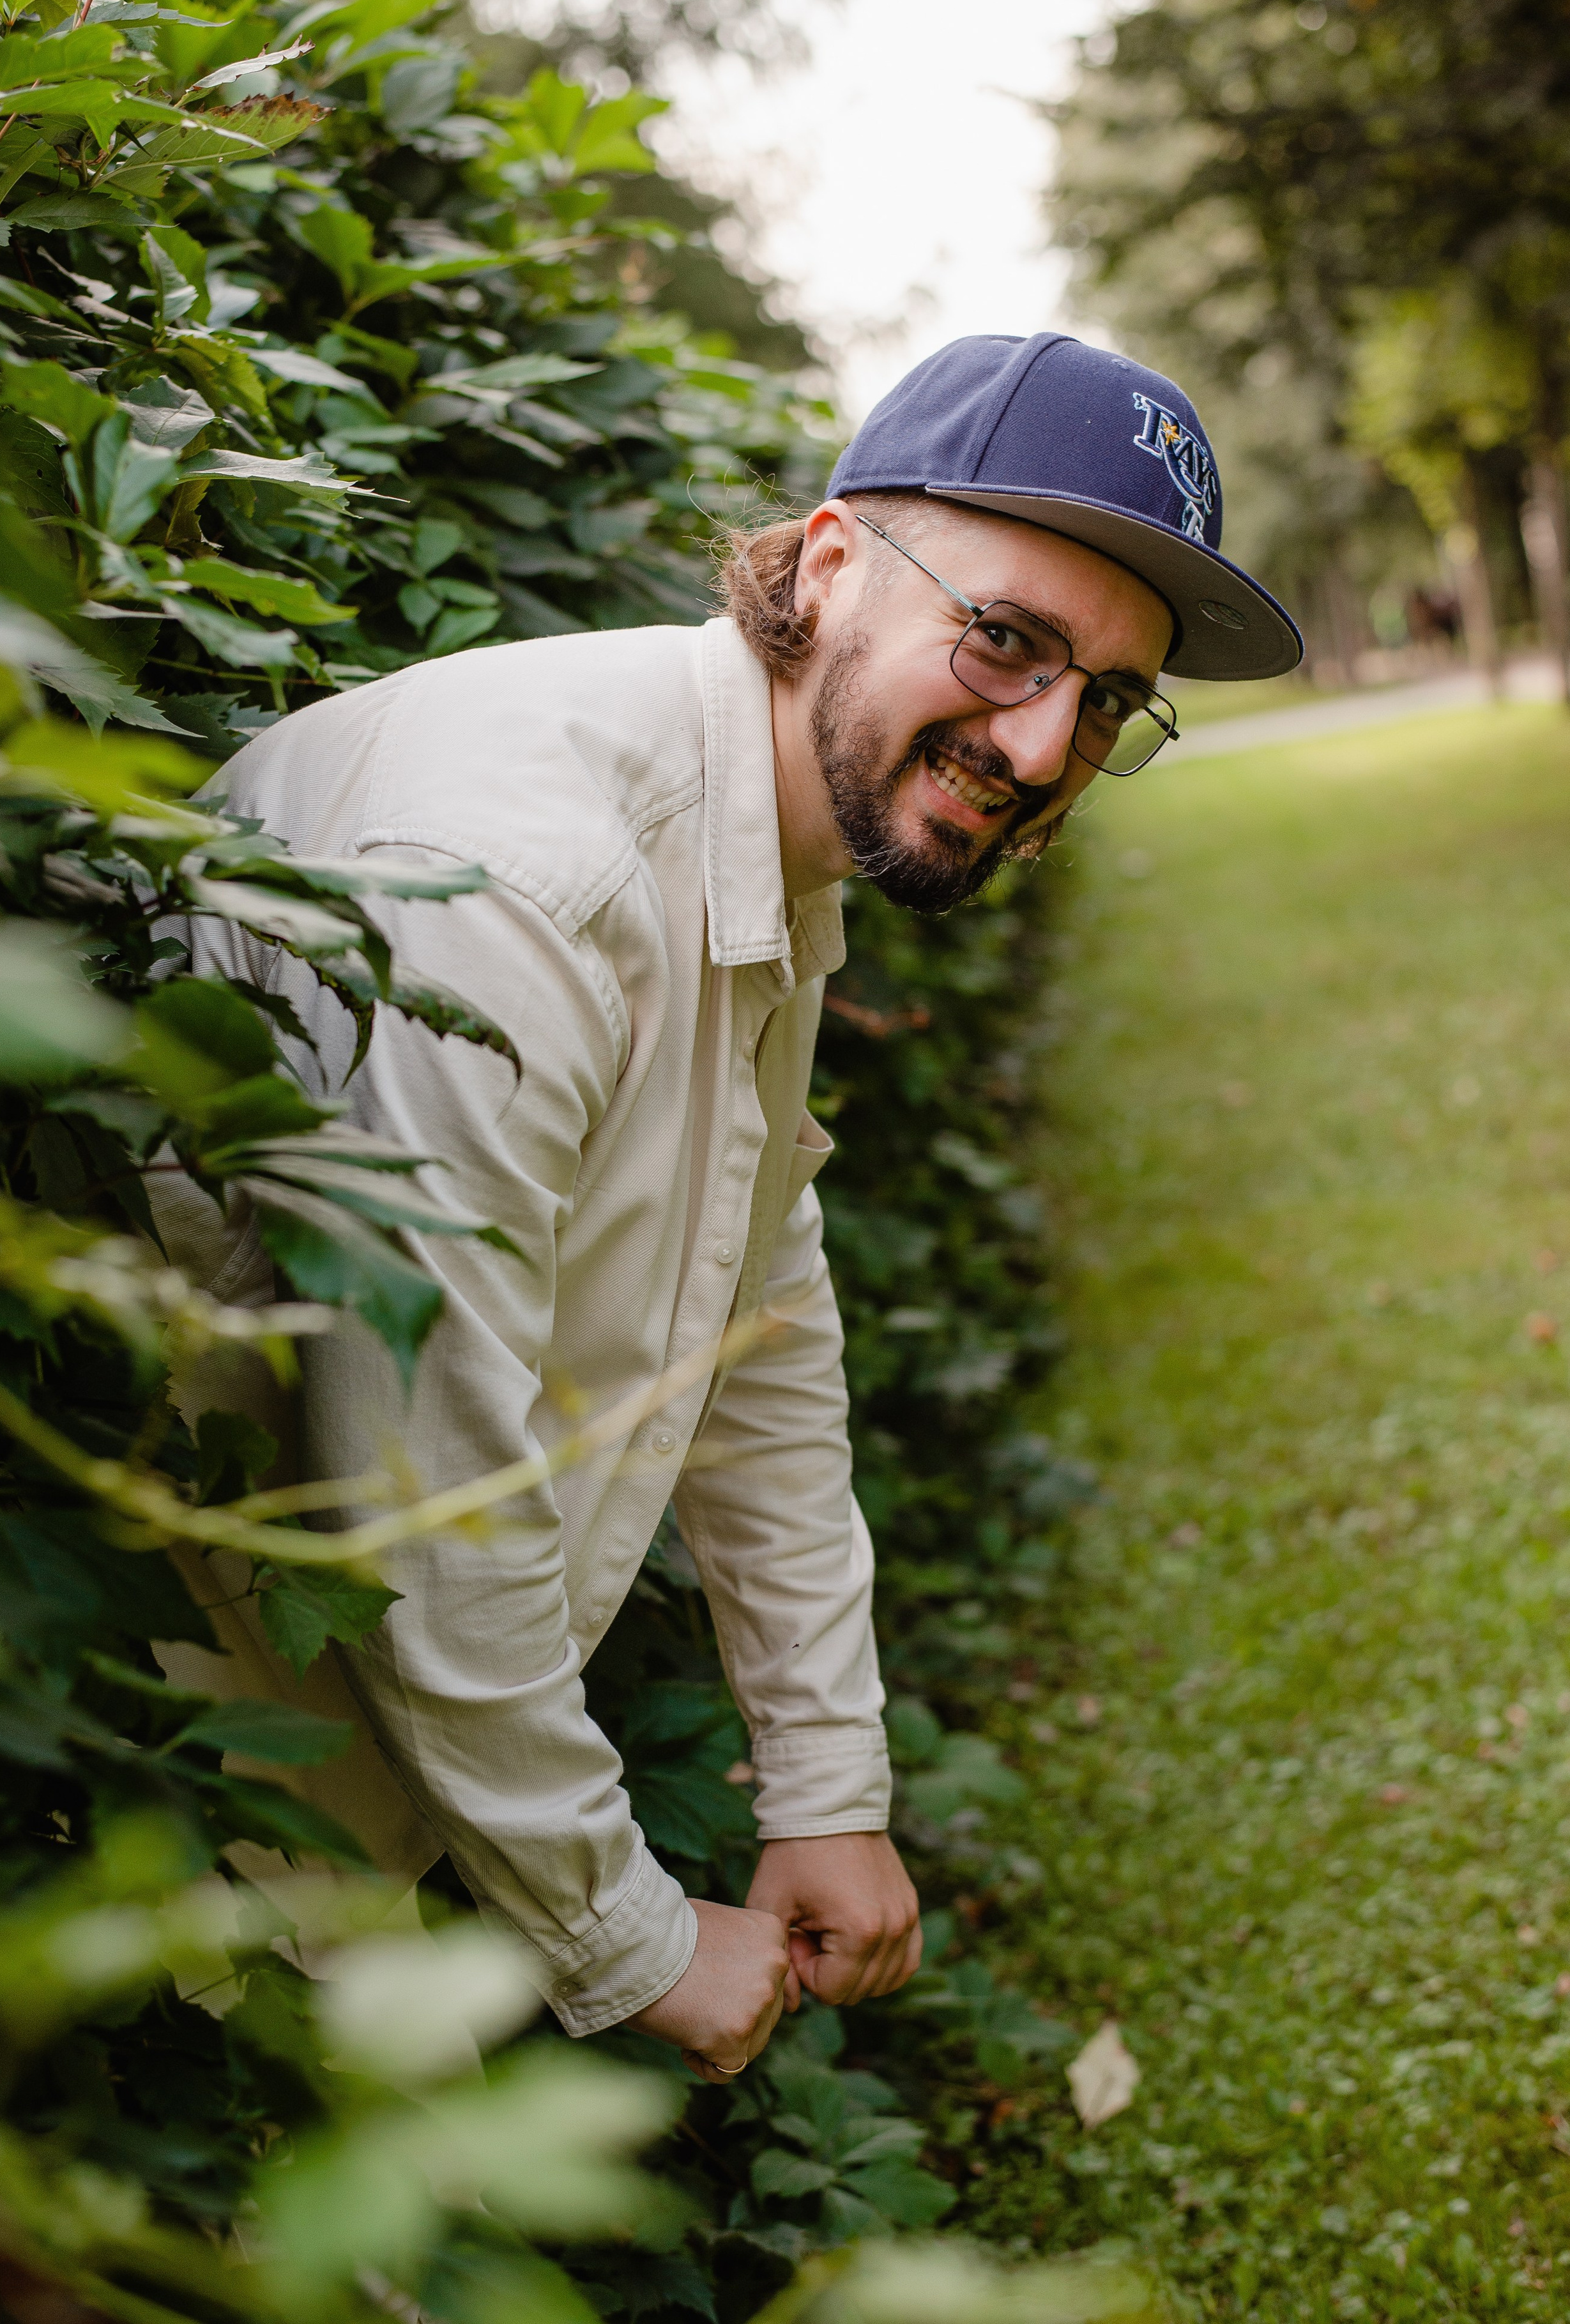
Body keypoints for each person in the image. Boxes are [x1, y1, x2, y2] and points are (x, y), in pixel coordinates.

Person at [155, 332, 1300, 2085]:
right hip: (128, 1793)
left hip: (287, 1786)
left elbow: (756, 1318)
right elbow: (416, 1478)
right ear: (828, 564)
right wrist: (622, 1931)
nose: (1043, 743)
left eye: (1109, 699)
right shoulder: (525, 886)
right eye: (1007, 638)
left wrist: (828, 1782)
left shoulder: (757, 839)